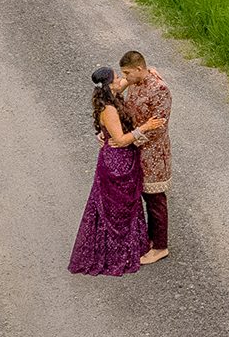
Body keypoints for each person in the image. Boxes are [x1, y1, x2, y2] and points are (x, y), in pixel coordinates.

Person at [68, 66, 165, 276]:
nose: (121, 78)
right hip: (116, 162)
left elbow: (130, 79)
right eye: (117, 76)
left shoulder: (113, 92)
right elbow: (120, 140)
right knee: (117, 208)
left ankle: (131, 244)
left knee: (126, 205)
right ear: (109, 83)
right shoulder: (109, 108)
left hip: (124, 159)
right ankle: (117, 250)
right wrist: (145, 127)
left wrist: (149, 71)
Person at [116, 50, 173, 265]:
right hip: (138, 150)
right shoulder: (137, 81)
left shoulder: (159, 89)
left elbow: (158, 127)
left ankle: (160, 247)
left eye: (127, 73)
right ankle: (151, 237)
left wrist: (129, 139)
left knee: (156, 199)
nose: (125, 77)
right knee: (145, 197)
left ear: (139, 69)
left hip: (154, 153)